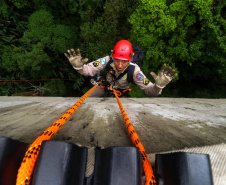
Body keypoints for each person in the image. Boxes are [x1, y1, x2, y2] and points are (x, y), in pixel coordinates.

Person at [64, 40, 177, 97]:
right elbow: (89, 70)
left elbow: (148, 91)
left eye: (124, 62)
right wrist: (78, 66)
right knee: (83, 100)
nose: (119, 65)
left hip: (121, 92)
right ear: (113, 56)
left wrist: (158, 86)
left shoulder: (134, 70)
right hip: (105, 86)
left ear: (130, 60)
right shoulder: (108, 59)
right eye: (117, 60)